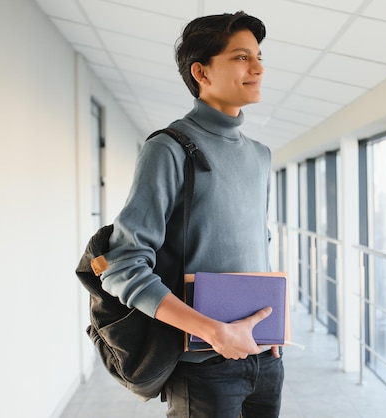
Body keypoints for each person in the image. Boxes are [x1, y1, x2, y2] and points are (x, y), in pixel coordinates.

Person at [99, 11, 283, 418]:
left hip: (265, 356)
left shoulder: (260, 155)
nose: (258, 68)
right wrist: (213, 332)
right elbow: (122, 266)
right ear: (201, 72)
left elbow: (254, 245)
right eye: (240, 58)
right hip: (201, 364)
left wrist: (274, 327)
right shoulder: (169, 149)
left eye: (258, 57)